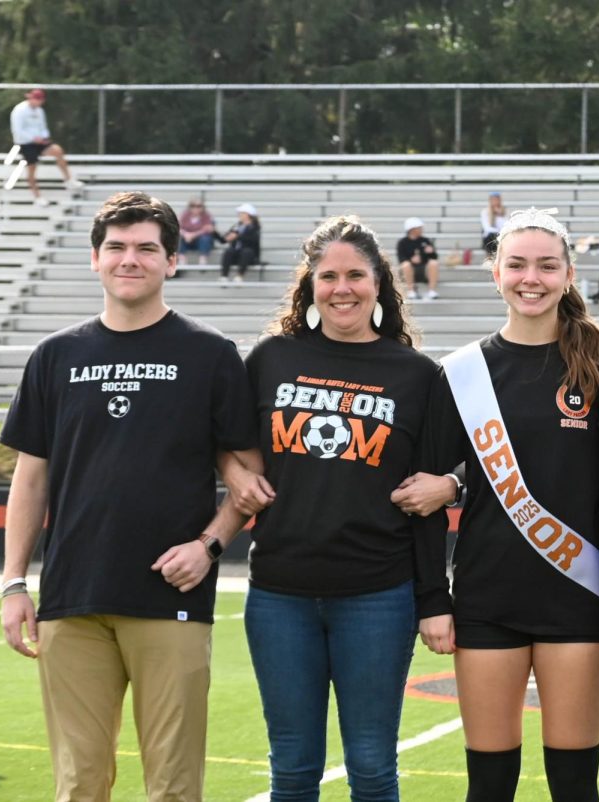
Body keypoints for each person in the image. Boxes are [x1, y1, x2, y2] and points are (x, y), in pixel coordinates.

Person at [0, 191, 256, 802]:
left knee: (172, 786)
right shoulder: (55, 355)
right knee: (78, 784)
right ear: (95, 259)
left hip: (171, 596)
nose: (129, 260)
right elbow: (29, 480)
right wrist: (13, 582)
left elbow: (250, 479)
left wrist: (209, 547)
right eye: (115, 247)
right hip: (71, 597)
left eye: (146, 248)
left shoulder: (210, 353)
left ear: (172, 261)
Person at [219, 215, 455, 802]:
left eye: (355, 275)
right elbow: (225, 443)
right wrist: (234, 475)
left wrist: (433, 600)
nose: (342, 288)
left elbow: (432, 493)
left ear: (380, 284)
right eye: (328, 276)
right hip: (279, 595)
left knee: (373, 768)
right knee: (293, 769)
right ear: (310, 286)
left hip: (378, 596)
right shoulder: (271, 358)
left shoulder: (418, 375)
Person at [413, 208, 599, 801]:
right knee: (489, 787)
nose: (533, 278)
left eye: (547, 266)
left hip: (578, 597)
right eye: (518, 264)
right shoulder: (459, 374)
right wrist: (433, 598)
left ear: (569, 275)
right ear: (494, 272)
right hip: (485, 598)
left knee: (576, 786)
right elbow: (422, 495)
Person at [8, 88, 83, 206]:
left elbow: (43, 127)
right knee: (32, 168)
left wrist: (43, 137)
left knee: (58, 150)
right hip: (26, 143)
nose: (38, 103)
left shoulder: (39, 111)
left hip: (39, 142)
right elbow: (17, 130)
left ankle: (68, 179)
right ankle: (37, 197)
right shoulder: (19, 110)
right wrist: (33, 138)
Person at [397, 217, 440, 300]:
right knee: (406, 265)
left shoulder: (425, 240)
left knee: (434, 263)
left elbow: (434, 257)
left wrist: (431, 252)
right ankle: (411, 291)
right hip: (409, 270)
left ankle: (432, 290)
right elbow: (401, 259)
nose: (421, 229)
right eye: (419, 228)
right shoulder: (402, 242)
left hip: (424, 270)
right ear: (412, 229)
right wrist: (411, 260)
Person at [220, 203, 261, 283]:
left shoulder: (255, 227)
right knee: (229, 251)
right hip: (237, 253)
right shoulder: (237, 226)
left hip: (249, 255)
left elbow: (253, 240)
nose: (239, 215)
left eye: (242, 213)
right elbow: (223, 240)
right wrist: (214, 233)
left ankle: (240, 275)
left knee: (247, 251)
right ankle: (224, 276)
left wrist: (238, 236)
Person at [177, 199, 216, 268]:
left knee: (205, 238)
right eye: (193, 206)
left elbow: (208, 229)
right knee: (179, 238)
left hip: (200, 241)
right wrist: (185, 234)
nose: (196, 208)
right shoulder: (185, 215)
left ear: (202, 207)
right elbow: (178, 227)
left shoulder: (207, 216)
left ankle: (203, 259)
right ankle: (182, 258)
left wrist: (193, 235)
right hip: (187, 240)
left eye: (199, 206)